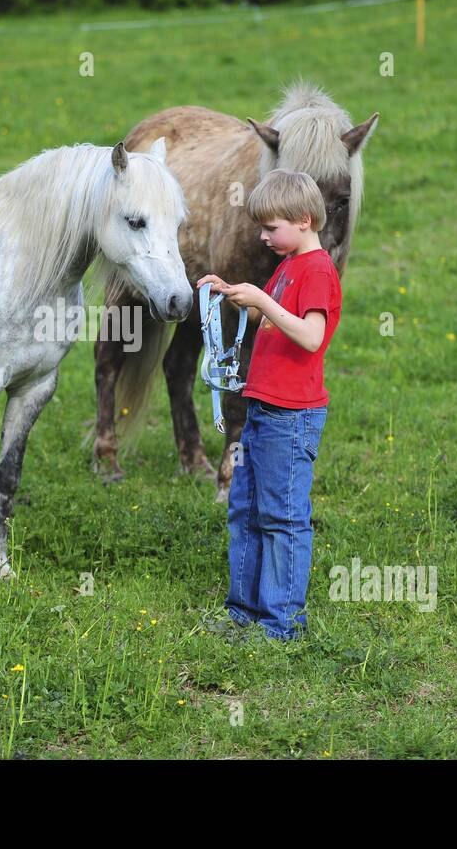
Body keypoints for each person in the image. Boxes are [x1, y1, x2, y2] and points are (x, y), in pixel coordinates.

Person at [196, 169, 342, 641]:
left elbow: (310, 335)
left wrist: (263, 299)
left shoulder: (318, 270)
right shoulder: (287, 266)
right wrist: (236, 295)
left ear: (303, 220)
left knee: (282, 517)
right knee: (245, 509)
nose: (263, 236)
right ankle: (243, 610)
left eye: (271, 227)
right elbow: (266, 317)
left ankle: (280, 623)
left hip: (292, 416)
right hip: (263, 408)